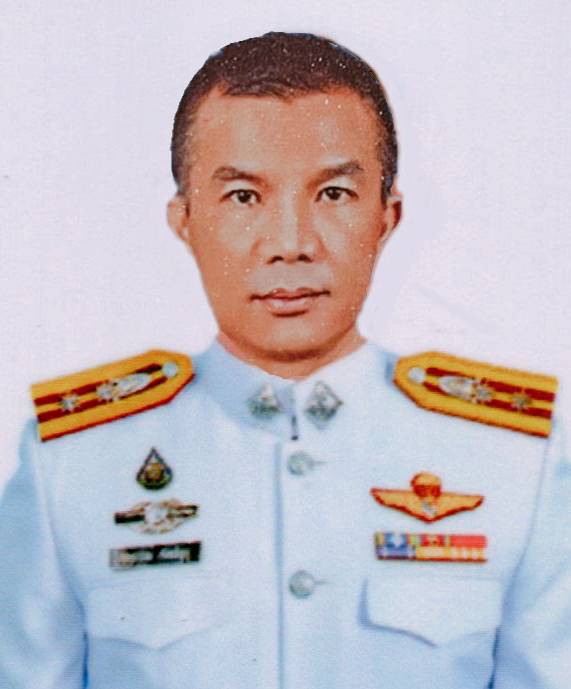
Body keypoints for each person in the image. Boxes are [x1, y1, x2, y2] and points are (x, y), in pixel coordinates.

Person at [0, 31, 569, 689]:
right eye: (244, 197)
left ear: (386, 217)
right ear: (185, 220)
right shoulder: (73, 462)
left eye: (333, 194)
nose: (290, 243)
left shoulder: (513, 460)